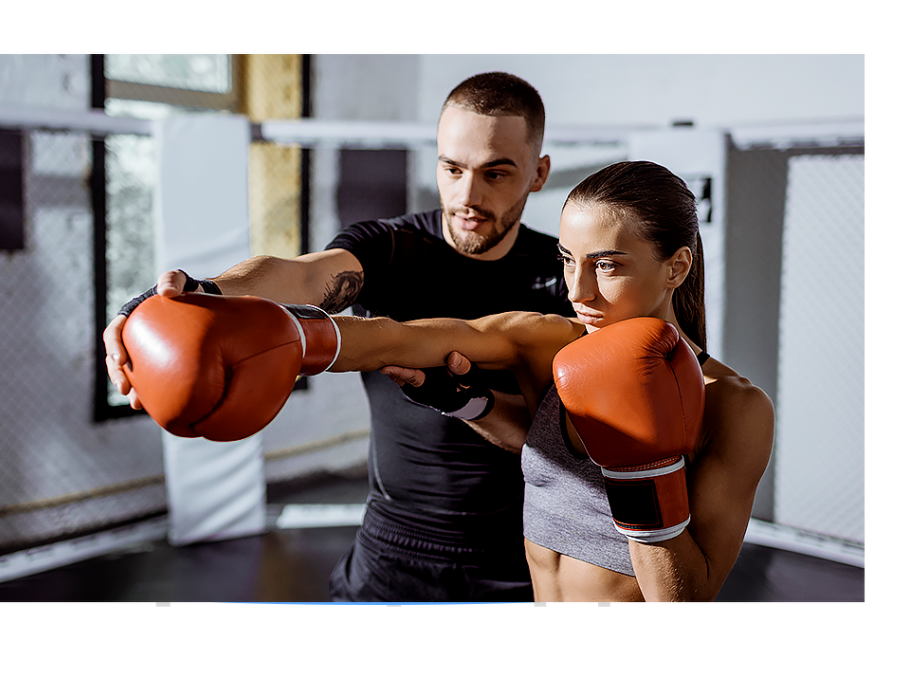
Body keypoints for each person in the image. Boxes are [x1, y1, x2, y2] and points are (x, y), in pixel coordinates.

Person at [105, 72, 575, 602]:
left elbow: (560, 442)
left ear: (538, 174)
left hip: (522, 557)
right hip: (390, 554)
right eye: (452, 168)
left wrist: (471, 402)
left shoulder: (566, 279)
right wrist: (201, 292)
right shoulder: (392, 247)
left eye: (496, 173)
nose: (468, 195)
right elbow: (302, 276)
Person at [328, 160, 775, 604]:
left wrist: (642, 474)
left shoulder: (734, 408)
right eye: (567, 260)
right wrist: (299, 336)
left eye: (605, 265)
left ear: (676, 268)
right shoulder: (551, 345)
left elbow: (685, 601)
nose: (578, 291)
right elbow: (403, 339)